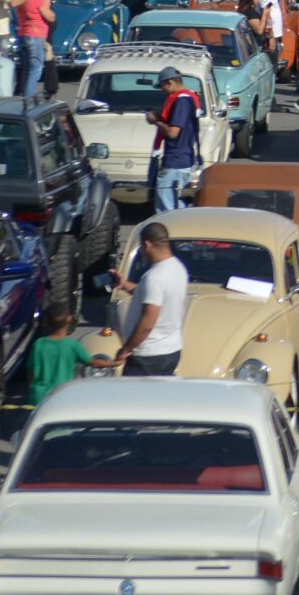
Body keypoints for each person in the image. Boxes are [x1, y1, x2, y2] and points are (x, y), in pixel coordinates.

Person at [115, 222, 188, 377]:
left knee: (135, 400)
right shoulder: (178, 268)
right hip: (171, 351)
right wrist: (123, 284)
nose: (142, 252)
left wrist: (126, 349)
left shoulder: (154, 277)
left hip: (148, 357)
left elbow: (147, 323)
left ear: (147, 245)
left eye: (141, 247)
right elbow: (153, 295)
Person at [150, 68, 203, 211]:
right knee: (171, 202)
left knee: (166, 208)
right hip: (181, 159)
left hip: (176, 160)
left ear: (170, 82)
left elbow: (173, 133)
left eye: (162, 86)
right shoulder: (187, 99)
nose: (162, 90)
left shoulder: (182, 101)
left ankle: (173, 230)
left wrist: (156, 121)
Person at [28, 319, 114, 405]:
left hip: (40, 396)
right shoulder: (72, 345)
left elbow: (31, 371)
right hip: (63, 394)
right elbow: (93, 362)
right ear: (67, 325)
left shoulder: (38, 344)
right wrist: (114, 363)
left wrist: (31, 388)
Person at [11, 0, 56, 99]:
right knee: (35, 71)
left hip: (23, 35)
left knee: (28, 68)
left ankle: (25, 95)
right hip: (35, 37)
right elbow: (50, 16)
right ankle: (29, 100)